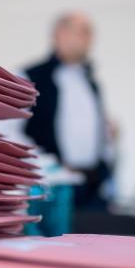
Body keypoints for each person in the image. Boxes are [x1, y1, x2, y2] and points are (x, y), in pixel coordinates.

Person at [22, 11, 116, 209]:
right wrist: (46, 166)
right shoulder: (30, 76)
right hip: (51, 187)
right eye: (83, 31)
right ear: (60, 34)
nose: (90, 38)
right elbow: (11, 131)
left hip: (92, 187)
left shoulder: (91, 82)